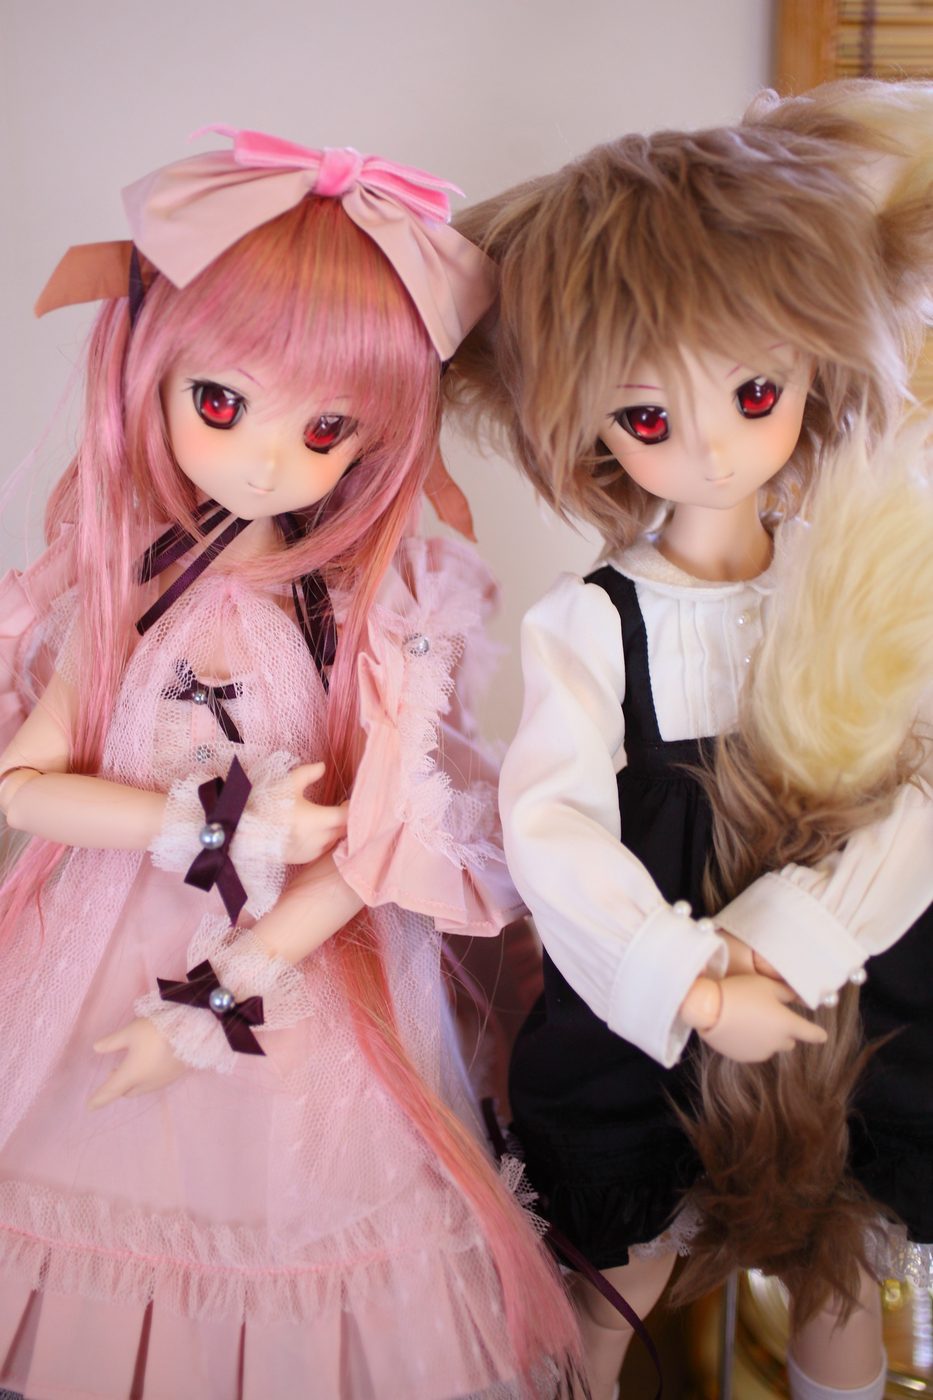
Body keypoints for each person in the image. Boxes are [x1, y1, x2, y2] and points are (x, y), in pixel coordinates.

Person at [0, 127, 580, 1400]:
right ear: (148, 370)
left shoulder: (372, 614)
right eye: (223, 401)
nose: (268, 458)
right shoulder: (124, 587)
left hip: (304, 985)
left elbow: (380, 847)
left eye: (326, 428)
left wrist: (219, 992)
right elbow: (22, 788)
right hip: (102, 945)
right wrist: (202, 824)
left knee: (314, 1235)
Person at [447, 81, 933, 1400]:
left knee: (841, 1271)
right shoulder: (591, 621)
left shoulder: (853, 578)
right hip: (647, 1002)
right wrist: (690, 979)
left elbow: (915, 801)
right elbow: (550, 828)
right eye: (649, 417)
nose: (712, 448)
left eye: (753, 388)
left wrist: (794, 938)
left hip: (848, 982)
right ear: (589, 426)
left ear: (815, 368)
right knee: (616, 1276)